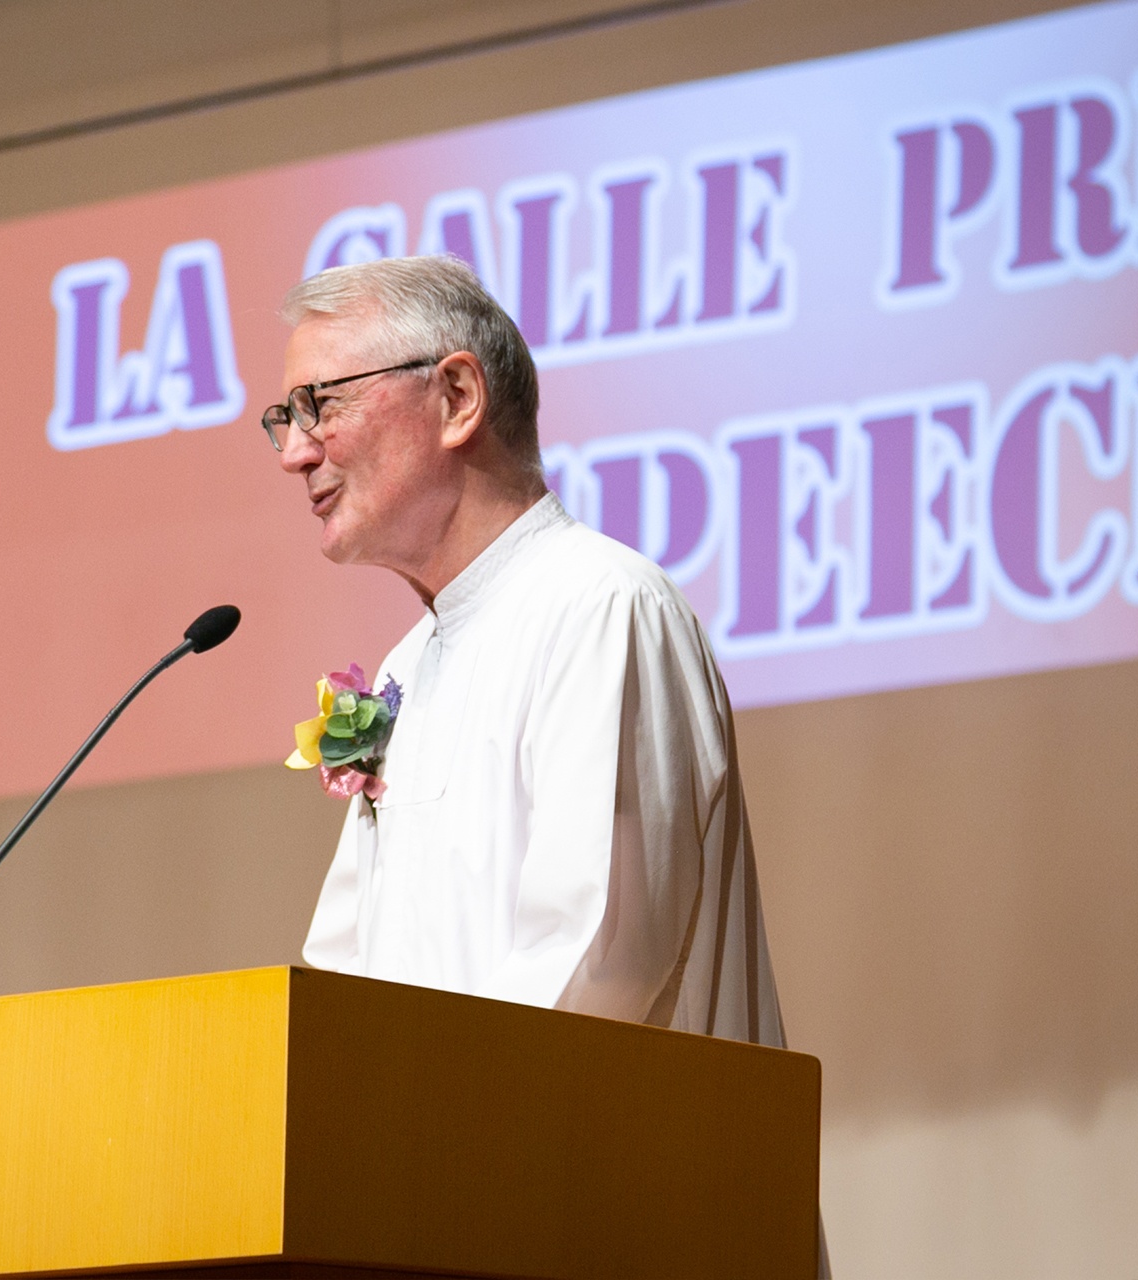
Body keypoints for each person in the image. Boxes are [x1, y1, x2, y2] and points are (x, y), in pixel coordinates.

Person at [268, 255, 828, 1273]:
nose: (294, 452)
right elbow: (343, 983)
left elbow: (594, 962)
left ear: (456, 396)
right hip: (430, 1221)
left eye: (320, 404)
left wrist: (411, 1162)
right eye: (284, 417)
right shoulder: (406, 667)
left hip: (599, 1219)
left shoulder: (601, 606)